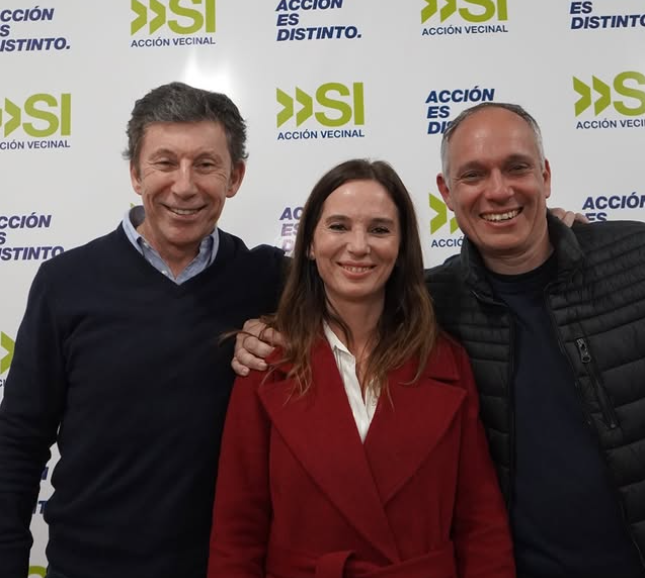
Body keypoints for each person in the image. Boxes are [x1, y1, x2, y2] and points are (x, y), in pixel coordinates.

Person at [233, 103, 645, 577]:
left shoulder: (632, 258)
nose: (498, 190)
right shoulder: (436, 304)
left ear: (545, 176)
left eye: (516, 168)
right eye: (473, 175)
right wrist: (263, 334)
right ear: (446, 192)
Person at [0, 82, 285, 578]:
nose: (184, 186)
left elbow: (377, 307)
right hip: (86, 568)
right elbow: (18, 442)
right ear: (135, 173)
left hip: (223, 569)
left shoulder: (268, 280)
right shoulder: (66, 283)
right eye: (164, 162)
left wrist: (287, 332)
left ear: (235, 177)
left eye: (205, 164)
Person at [208, 159, 515, 578]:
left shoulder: (446, 361)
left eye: (379, 229)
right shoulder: (266, 363)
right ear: (310, 244)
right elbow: (237, 534)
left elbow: (480, 525)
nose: (358, 246)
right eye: (338, 226)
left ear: (401, 247)